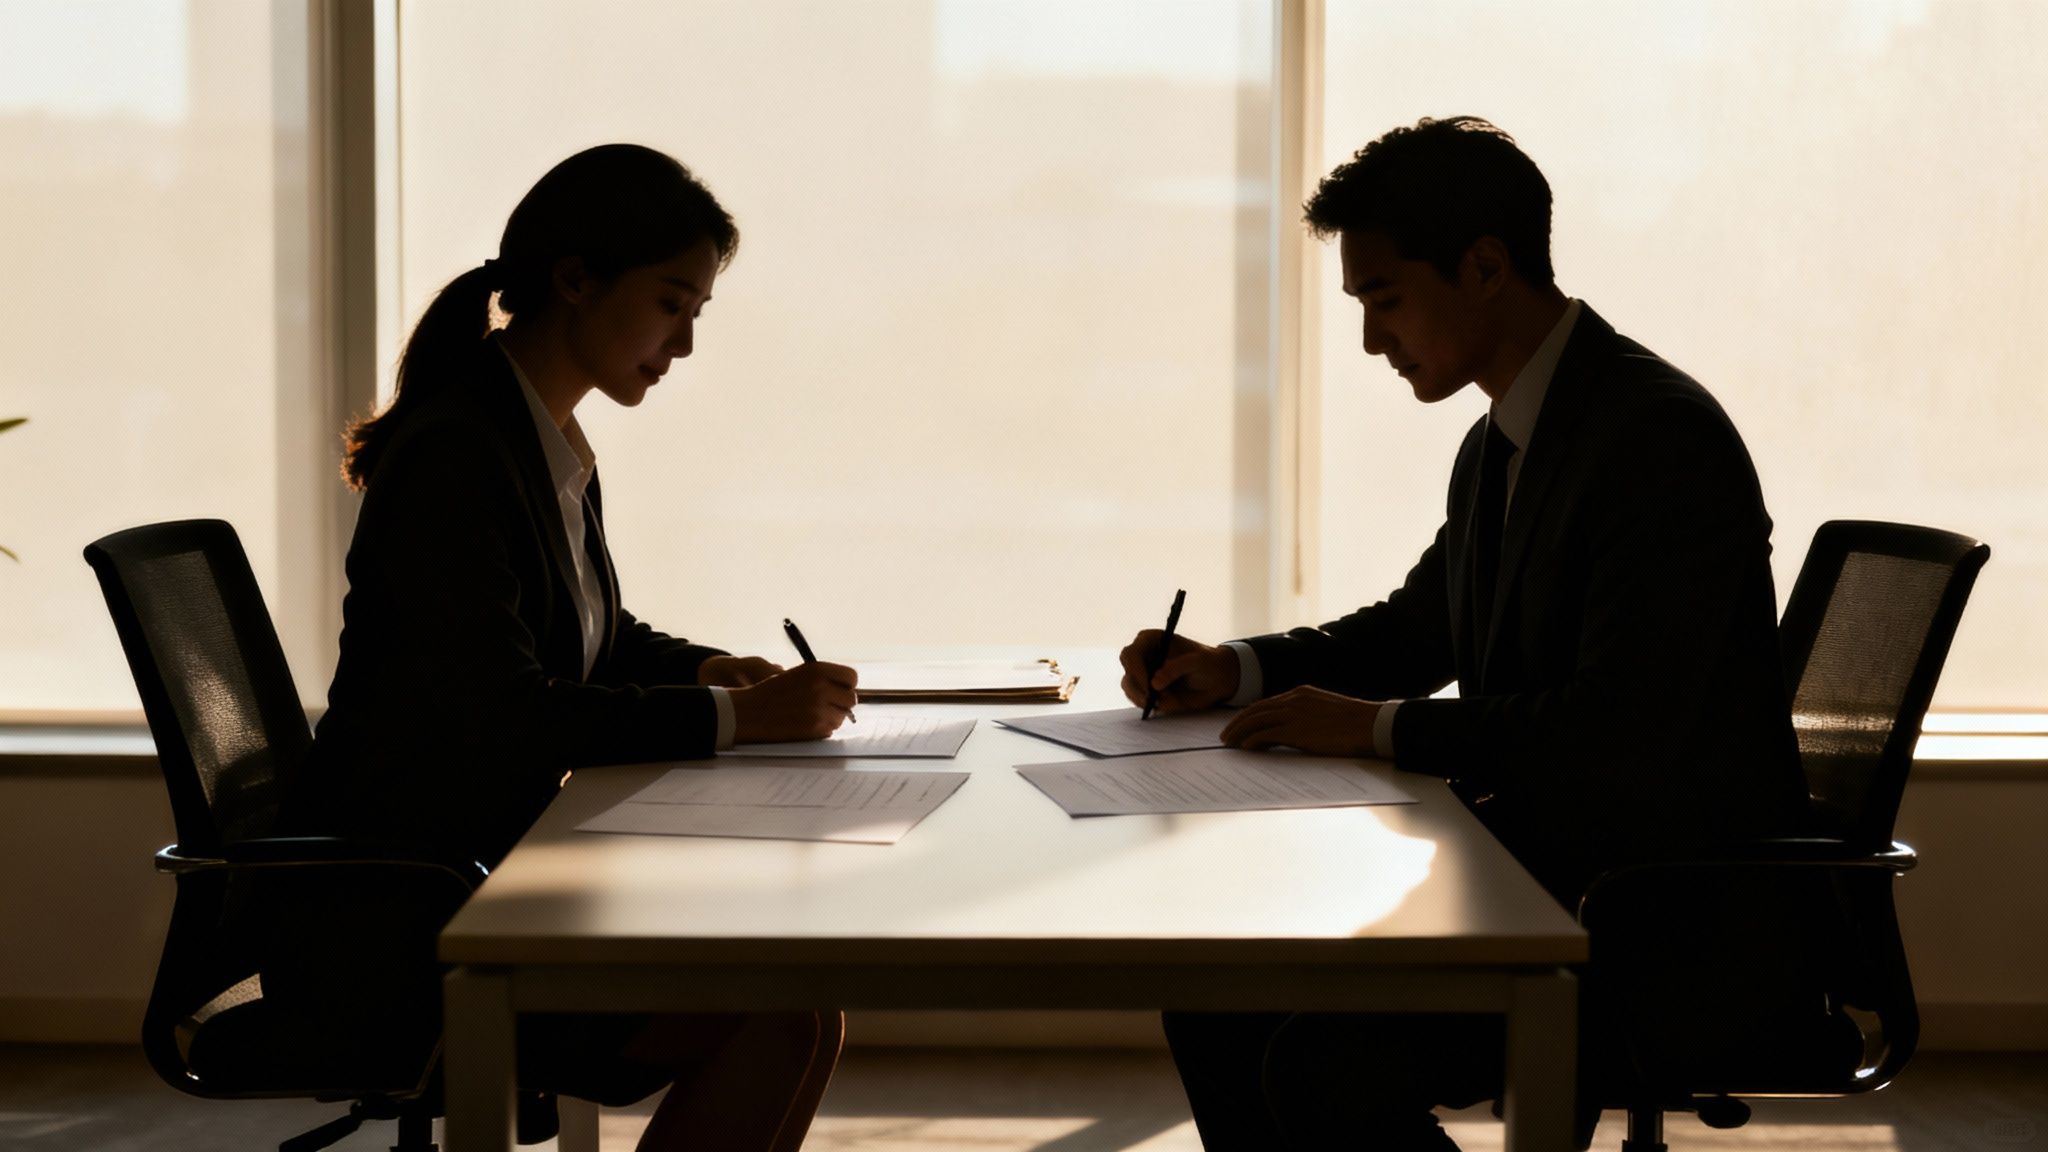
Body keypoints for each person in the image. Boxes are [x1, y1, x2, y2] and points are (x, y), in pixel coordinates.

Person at [1118, 117, 1811, 1150]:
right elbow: (1415, 630)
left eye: (1383, 300)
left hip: (1656, 918)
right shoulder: (1506, 437)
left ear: (1483, 267)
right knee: (1216, 1001)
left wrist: (1377, 729)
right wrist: (1235, 667)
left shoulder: (1653, 439)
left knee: (1315, 1063)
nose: (1367, 340)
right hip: (1545, 874)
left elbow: (1619, 730)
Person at [283, 144, 852, 1152]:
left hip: (490, 868)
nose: (682, 345)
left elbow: (590, 632)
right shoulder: (461, 456)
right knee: (776, 1013)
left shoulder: (533, 435)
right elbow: (502, 715)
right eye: (672, 303)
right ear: (576, 279)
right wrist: (736, 719)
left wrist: (706, 672)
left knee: (795, 1003)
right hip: (413, 916)